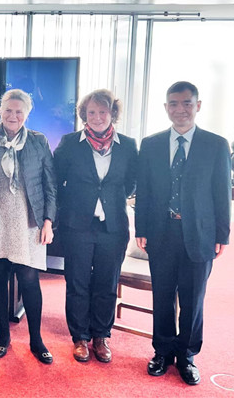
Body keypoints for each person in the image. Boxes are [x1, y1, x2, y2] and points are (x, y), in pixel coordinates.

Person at [135, 81, 231, 386]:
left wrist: (222, 234)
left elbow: (222, 193)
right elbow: (144, 191)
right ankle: (162, 352)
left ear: (197, 106)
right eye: (174, 104)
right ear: (166, 108)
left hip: (200, 234)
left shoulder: (216, 145)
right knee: (163, 296)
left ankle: (187, 356)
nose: (180, 110)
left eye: (187, 103)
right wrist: (141, 228)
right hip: (161, 232)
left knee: (193, 299)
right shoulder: (151, 144)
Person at [53, 89, 137, 364]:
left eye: (103, 111)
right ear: (84, 115)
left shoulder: (128, 145)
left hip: (113, 226)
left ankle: (101, 336)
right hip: (77, 225)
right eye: (91, 112)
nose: (97, 117)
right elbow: (56, 181)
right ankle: (79, 337)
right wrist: (70, 207)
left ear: (113, 113)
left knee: (106, 282)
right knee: (77, 282)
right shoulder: (70, 143)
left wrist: (109, 201)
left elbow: (131, 184)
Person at [0, 89, 57, 364]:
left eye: (19, 111)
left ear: (27, 114)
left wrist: (48, 221)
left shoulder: (38, 141)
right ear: (0, 111)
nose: (13, 116)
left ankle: (36, 340)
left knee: (29, 279)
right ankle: (3, 336)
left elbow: (50, 185)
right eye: (8, 110)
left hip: (29, 220)